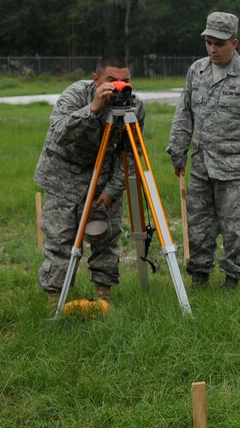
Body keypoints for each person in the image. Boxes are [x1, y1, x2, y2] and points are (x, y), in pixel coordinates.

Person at [167, 11, 240, 289]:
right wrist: (178, 151)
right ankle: (199, 277)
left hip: (238, 170)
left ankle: (233, 282)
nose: (212, 49)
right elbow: (184, 114)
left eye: (219, 43)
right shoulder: (197, 71)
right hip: (202, 166)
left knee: (236, 229)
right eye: (208, 42)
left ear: (234, 42)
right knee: (199, 226)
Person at [36, 55, 145, 303]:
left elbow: (132, 156)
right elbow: (58, 134)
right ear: (96, 79)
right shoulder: (76, 95)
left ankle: (103, 297)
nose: (119, 86)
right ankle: (56, 300)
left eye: (125, 81)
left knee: (106, 239)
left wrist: (110, 193)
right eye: (111, 80)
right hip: (63, 176)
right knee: (60, 240)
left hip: (104, 179)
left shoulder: (134, 107)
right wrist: (93, 108)